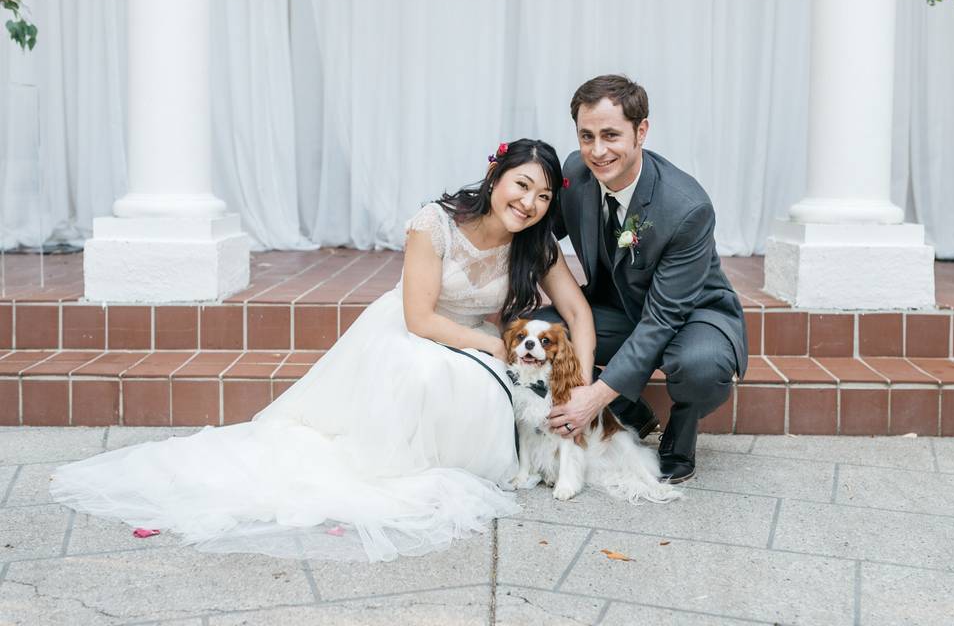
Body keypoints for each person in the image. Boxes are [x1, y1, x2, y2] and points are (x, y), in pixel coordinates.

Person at [50, 138, 597, 563]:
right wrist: (494, 345)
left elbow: (577, 314)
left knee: (474, 393)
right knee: (421, 376)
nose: (529, 203)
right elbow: (420, 317)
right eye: (521, 185)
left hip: (477, 347)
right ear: (495, 176)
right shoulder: (436, 223)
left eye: (543, 196)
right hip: (414, 333)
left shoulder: (534, 243)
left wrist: (583, 389)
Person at [538, 75, 748, 484]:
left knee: (701, 366)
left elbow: (663, 320)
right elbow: (540, 227)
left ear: (641, 131)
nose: (597, 151)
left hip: (691, 318)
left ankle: (681, 428)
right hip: (619, 309)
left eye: (611, 135)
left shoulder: (687, 208)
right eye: (587, 136)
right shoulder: (576, 174)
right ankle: (630, 409)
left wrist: (592, 399)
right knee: (543, 331)